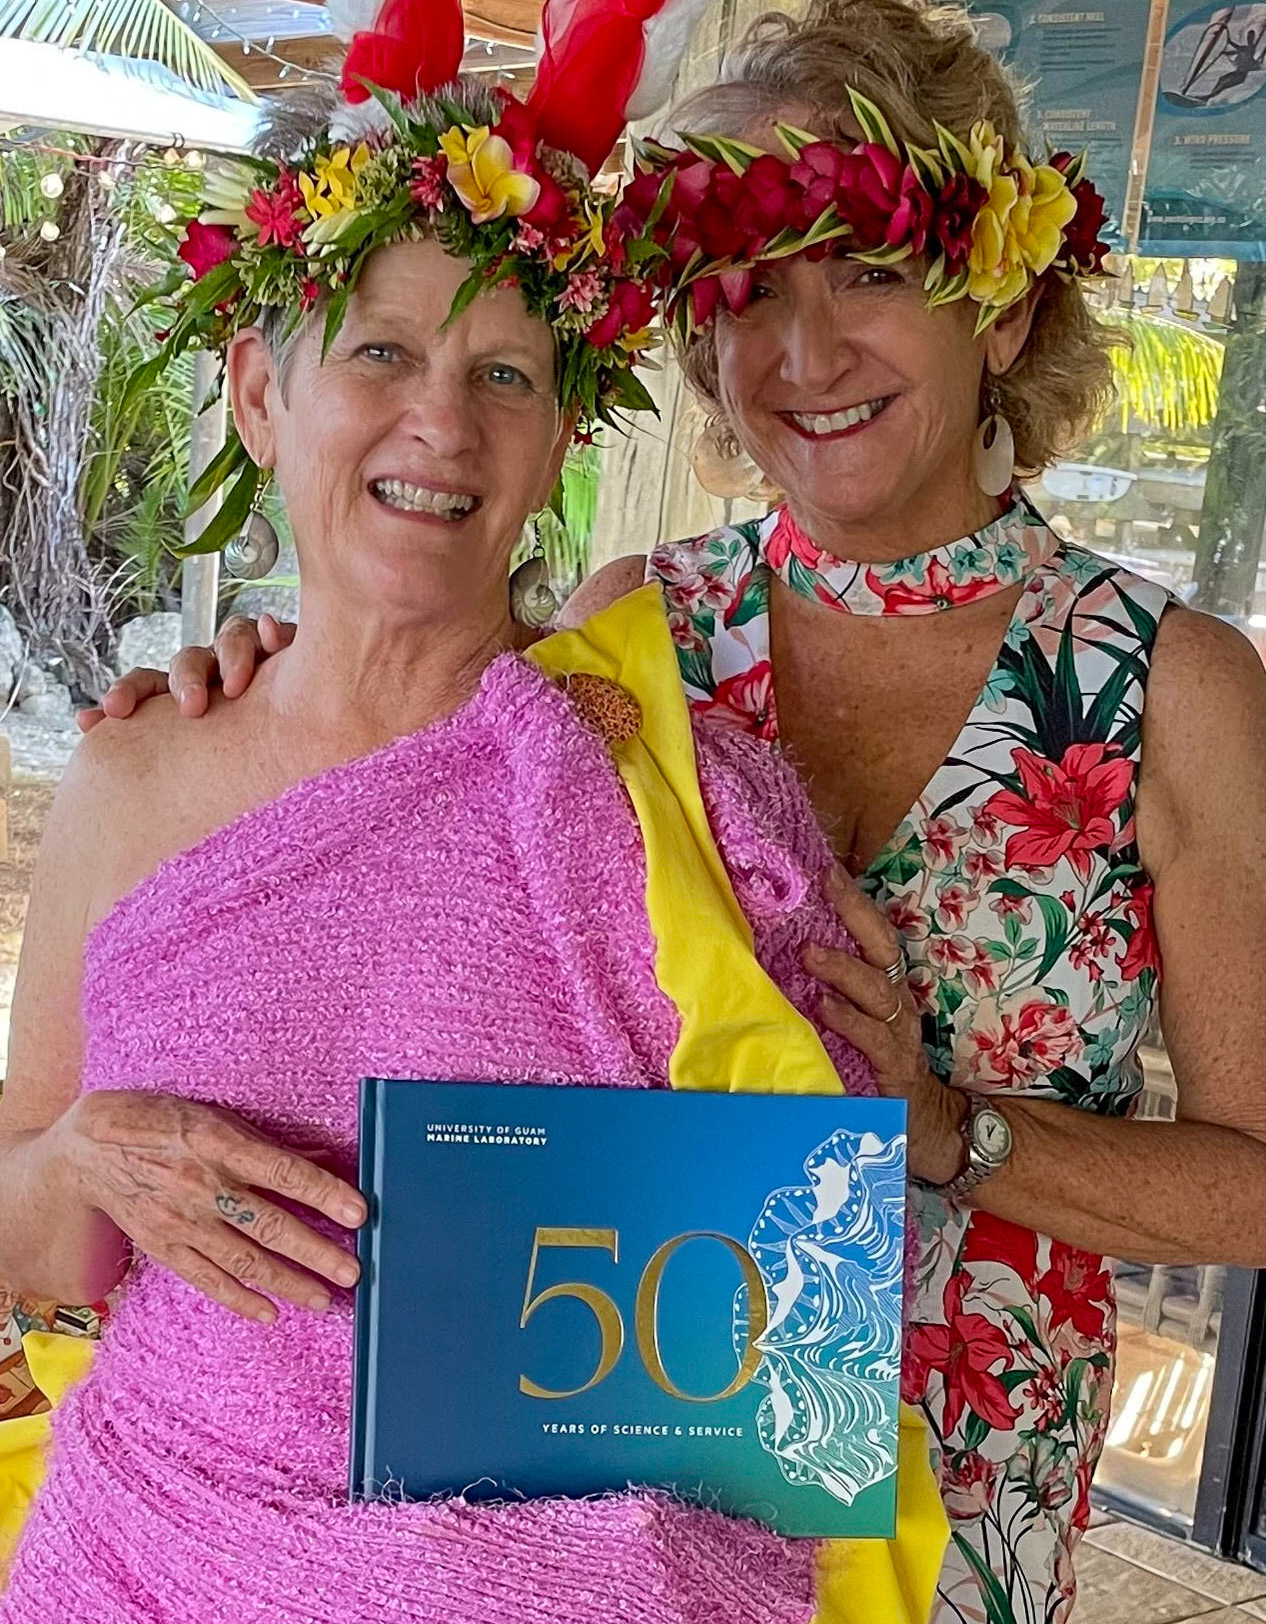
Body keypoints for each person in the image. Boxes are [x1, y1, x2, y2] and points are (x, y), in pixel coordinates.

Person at [121, 1, 1266, 1618]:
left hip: (953, 1493)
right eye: (748, 291)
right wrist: (258, 673)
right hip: (617, 1494)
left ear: (1000, 303)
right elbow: (381, 791)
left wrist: (946, 1131)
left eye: (866, 272)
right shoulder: (628, 630)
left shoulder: (1169, 687)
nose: (800, 356)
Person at [0, 3, 955, 1618]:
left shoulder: (682, 799)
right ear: (257, 392)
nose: (440, 423)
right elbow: (32, 1252)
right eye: (381, 352)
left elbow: (798, 1355)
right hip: (149, 1562)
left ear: (557, 445)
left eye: (504, 372)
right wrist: (90, 1159)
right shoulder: (135, 772)